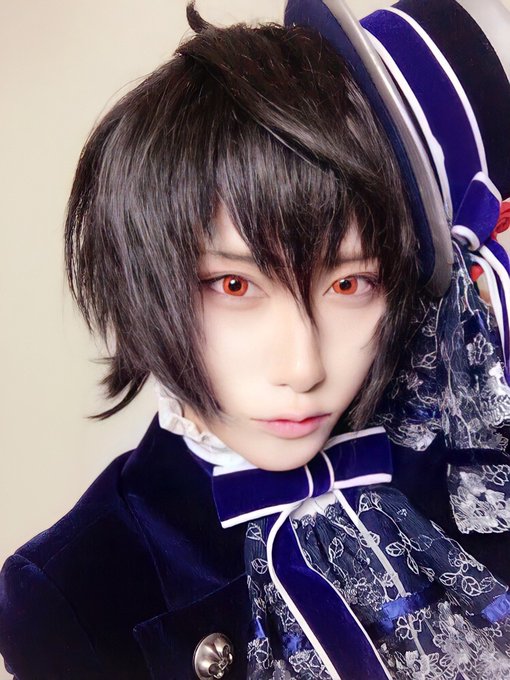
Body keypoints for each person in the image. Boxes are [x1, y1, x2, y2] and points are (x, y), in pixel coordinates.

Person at [2, 0, 510, 678]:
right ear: (142, 277)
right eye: (234, 285)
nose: (303, 366)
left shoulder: (476, 471)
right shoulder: (68, 596)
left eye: (349, 283)